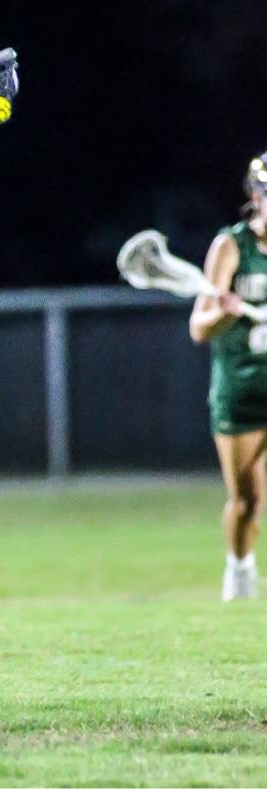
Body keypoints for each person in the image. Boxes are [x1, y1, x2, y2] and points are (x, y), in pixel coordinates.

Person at [189, 149, 267, 601]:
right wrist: (225, 312)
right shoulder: (231, 246)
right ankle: (239, 571)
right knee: (248, 504)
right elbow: (199, 328)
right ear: (254, 197)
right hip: (241, 391)